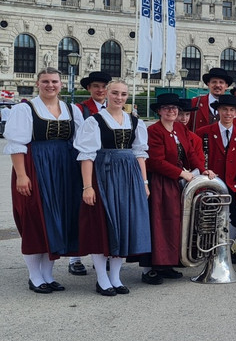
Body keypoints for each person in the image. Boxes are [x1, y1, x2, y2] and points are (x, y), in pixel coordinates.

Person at [6, 67, 84, 294]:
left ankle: (48, 275)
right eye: (46, 81)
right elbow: (16, 145)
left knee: (56, 220)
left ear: (62, 84)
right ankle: (34, 276)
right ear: (37, 83)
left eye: (55, 81)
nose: (51, 85)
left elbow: (80, 143)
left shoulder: (72, 109)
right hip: (35, 167)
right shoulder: (25, 109)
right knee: (36, 219)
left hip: (65, 170)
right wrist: (21, 175)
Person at [74, 80, 151, 295]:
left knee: (124, 224)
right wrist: (87, 186)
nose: (119, 97)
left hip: (129, 177)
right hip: (104, 175)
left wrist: (144, 183)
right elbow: (87, 156)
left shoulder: (135, 122)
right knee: (103, 226)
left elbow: (140, 154)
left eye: (123, 94)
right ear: (107, 93)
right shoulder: (94, 121)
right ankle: (101, 278)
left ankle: (116, 277)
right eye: (115, 93)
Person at [146, 93, 211, 284]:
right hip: (161, 183)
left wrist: (204, 169)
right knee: (159, 223)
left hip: (176, 182)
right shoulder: (154, 131)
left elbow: (190, 153)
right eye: (167, 108)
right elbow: (155, 161)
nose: (172, 111)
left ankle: (167, 264)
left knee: (175, 222)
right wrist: (181, 173)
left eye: (174, 108)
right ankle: (152, 268)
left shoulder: (180, 128)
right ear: (159, 111)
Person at [197, 94, 236, 265]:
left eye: (231, 110)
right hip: (211, 184)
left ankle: (225, 246)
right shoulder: (203, 132)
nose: (228, 113)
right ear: (218, 111)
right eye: (224, 110)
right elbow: (198, 159)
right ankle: (206, 247)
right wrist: (203, 171)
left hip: (232, 185)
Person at [68, 70, 113, 276]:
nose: (101, 90)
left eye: (104, 87)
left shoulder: (114, 108)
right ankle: (75, 257)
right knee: (80, 208)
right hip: (85, 162)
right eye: (96, 86)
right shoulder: (80, 109)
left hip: (106, 165)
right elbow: (76, 138)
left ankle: (102, 254)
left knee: (103, 210)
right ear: (89, 88)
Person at [188, 67, 236, 132]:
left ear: (226, 86)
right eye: (214, 82)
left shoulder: (235, 106)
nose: (217, 85)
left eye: (221, 82)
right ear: (208, 84)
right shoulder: (195, 102)